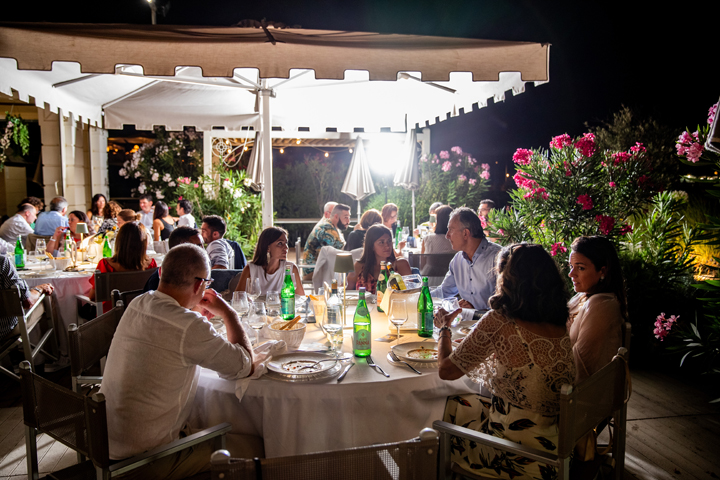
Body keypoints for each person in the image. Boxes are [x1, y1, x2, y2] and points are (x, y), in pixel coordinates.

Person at [99, 244, 254, 478]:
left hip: (106, 448)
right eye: (207, 283)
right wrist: (228, 312)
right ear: (199, 285)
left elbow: (172, 335)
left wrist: (192, 313)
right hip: (143, 462)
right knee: (257, 447)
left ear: (161, 272)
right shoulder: (188, 326)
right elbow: (244, 366)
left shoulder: (139, 302)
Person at [435, 243, 575, 479]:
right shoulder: (559, 323)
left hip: (515, 455)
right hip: (555, 446)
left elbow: (446, 370)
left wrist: (444, 329)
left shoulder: (500, 320)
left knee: (442, 411)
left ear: (507, 279)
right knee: (461, 403)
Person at [567, 236, 626, 383]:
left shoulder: (601, 305)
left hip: (584, 390)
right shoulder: (581, 296)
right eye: (571, 266)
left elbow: (581, 363)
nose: (571, 274)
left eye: (580, 268)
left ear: (603, 270)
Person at [434, 207, 502, 311]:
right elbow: (444, 291)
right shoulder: (457, 260)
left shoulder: (498, 258)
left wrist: (478, 312)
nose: (447, 236)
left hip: (492, 320)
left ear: (465, 233)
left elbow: (509, 304)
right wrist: (416, 296)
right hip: (466, 320)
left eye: (451, 230)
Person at [87, 222, 157, 312]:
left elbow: (93, 296)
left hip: (112, 315)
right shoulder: (151, 264)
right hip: (141, 313)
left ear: (119, 241)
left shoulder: (105, 264)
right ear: (144, 243)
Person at [235, 226, 305, 295]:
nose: (286, 247)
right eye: (280, 243)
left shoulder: (290, 269)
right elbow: (238, 298)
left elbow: (301, 298)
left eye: (286, 243)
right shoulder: (250, 270)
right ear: (267, 248)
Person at [0, 255, 54, 340]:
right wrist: (40, 289)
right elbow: (28, 302)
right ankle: (52, 346)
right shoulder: (2, 262)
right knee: (46, 298)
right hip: (6, 332)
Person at [346, 224, 411, 293]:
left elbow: (410, 292)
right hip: (364, 300)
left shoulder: (400, 264)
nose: (387, 246)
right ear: (371, 246)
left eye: (389, 241)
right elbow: (346, 291)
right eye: (381, 242)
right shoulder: (359, 266)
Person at [143, 226, 204, 292]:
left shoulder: (192, 272)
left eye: (202, 245)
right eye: (198, 246)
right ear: (181, 249)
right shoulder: (163, 281)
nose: (203, 250)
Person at [302, 203, 350, 280]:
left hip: (321, 267)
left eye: (349, 217)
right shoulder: (326, 228)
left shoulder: (333, 227)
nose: (348, 221)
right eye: (346, 217)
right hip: (313, 270)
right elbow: (334, 255)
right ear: (336, 216)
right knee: (352, 272)